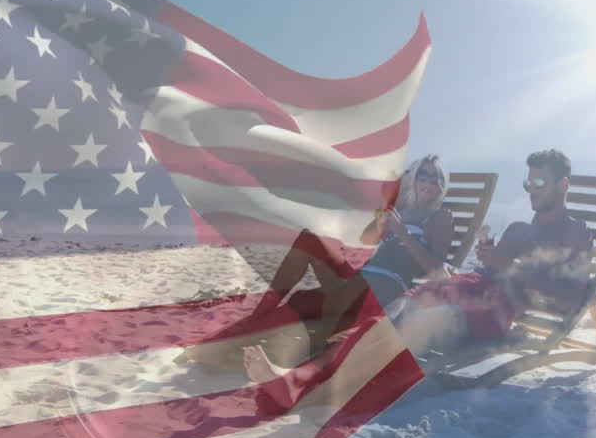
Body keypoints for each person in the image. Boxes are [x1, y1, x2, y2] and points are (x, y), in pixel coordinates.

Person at [243, 148, 593, 383]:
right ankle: (301, 369)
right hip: (461, 291)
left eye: (539, 182)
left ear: (563, 185)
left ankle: (297, 382)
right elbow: (492, 272)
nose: (531, 189)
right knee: (390, 316)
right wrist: (486, 260)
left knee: (406, 326)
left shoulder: (575, 232)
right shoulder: (517, 229)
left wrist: (509, 267)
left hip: (487, 314)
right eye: (528, 182)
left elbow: (569, 301)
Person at [180, 154, 454, 366]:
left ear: (442, 186)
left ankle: (251, 341)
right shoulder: (399, 210)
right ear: (415, 179)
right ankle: (258, 316)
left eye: (436, 178)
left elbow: (437, 270)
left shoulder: (440, 217)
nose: (429, 182)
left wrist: (403, 233)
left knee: (310, 305)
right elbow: (367, 239)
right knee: (310, 240)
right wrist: (379, 225)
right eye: (424, 175)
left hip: (386, 288)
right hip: (360, 277)